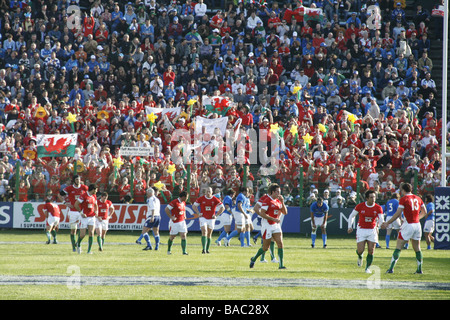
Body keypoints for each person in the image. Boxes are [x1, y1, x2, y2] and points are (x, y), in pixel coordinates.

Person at [381, 183, 427, 274]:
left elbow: (398, 213)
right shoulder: (418, 198)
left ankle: (391, 268)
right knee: (417, 248)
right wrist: (417, 218)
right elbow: (424, 212)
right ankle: (419, 269)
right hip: (417, 225)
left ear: (403, 190)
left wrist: (387, 223)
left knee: (398, 247)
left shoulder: (404, 199)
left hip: (408, 224)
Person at [249, 184, 288, 269]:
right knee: (265, 248)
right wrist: (273, 219)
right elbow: (262, 213)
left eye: (279, 192)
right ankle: (254, 258)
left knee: (280, 244)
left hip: (276, 225)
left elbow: (285, 212)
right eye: (277, 192)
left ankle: (281, 265)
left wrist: (283, 202)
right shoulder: (267, 200)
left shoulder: (278, 201)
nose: (279, 193)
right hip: (267, 225)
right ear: (273, 192)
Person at [347, 190, 385, 273]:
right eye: (371, 197)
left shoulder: (378, 208)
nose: (373, 199)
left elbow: (381, 219)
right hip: (361, 229)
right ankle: (360, 256)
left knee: (371, 250)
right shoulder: (360, 206)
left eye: (374, 197)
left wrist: (382, 224)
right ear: (367, 198)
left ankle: (367, 268)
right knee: (360, 250)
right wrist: (350, 226)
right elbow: (352, 216)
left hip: (372, 230)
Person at [59, 175, 88, 252]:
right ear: (74, 180)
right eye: (76, 179)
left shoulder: (84, 187)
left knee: (82, 230)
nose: (78, 181)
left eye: (79, 179)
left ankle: (78, 244)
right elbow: (60, 194)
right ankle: (74, 247)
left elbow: (90, 195)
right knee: (73, 230)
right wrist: (65, 202)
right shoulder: (69, 188)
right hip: (72, 211)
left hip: (81, 211)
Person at [193, 187, 225, 254]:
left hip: (211, 218)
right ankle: (203, 249)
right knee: (204, 231)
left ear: (212, 192)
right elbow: (194, 206)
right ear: (205, 192)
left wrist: (216, 215)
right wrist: (198, 213)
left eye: (209, 191)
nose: (208, 193)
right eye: (207, 191)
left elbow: (222, 208)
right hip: (203, 217)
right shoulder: (201, 198)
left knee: (209, 234)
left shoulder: (215, 199)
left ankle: (207, 249)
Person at [74, 184, 99, 254]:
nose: (97, 191)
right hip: (84, 217)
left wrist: (96, 211)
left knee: (91, 233)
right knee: (82, 234)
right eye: (96, 190)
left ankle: (89, 250)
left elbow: (96, 205)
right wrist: (81, 213)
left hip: (92, 217)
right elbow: (76, 204)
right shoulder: (83, 196)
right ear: (93, 190)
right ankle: (78, 243)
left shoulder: (94, 196)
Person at [165, 191, 189, 255]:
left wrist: (184, 215)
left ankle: (184, 251)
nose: (187, 198)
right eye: (186, 197)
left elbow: (183, 209)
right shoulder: (175, 202)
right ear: (183, 197)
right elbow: (166, 209)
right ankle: (169, 250)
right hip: (174, 222)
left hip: (182, 222)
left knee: (183, 236)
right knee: (172, 237)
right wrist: (171, 216)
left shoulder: (183, 202)